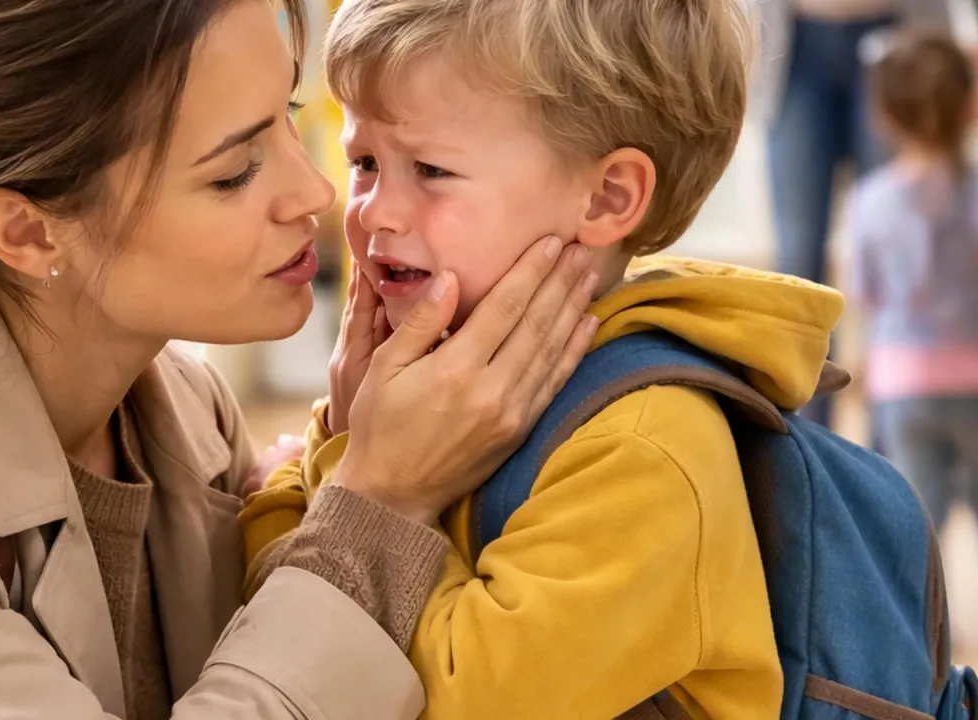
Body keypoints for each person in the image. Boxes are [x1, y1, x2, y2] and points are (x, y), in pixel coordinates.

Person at [0, 1, 598, 718]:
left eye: (286, 118)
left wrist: (335, 467)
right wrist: (381, 500)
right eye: (234, 172)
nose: (315, 193)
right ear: (24, 229)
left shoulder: (183, 412)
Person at [240, 0, 849, 717]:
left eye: (430, 169)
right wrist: (350, 441)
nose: (374, 210)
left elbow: (415, 700)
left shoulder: (644, 448)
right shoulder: (430, 386)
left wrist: (320, 481)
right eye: (365, 162)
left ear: (608, 196)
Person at [753, 0, 957, 428]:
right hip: (792, 43)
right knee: (799, 260)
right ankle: (804, 438)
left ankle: (895, 433)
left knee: (905, 247)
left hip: (899, 29)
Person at [850, 29, 978, 534]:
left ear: (882, 115)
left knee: (918, 527)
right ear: (971, 105)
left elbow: (865, 292)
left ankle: (927, 616)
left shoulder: (869, 201)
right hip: (973, 378)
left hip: (902, 381)